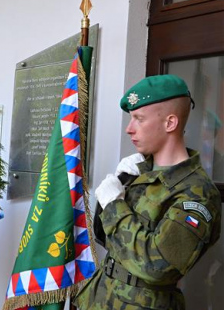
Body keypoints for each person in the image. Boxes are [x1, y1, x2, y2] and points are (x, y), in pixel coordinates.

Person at [74, 74, 222, 310]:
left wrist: (114, 205)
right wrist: (120, 185)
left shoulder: (197, 193)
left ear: (170, 123)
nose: (129, 129)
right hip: (101, 299)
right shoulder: (140, 172)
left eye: (139, 119)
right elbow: (106, 237)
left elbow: (158, 267)